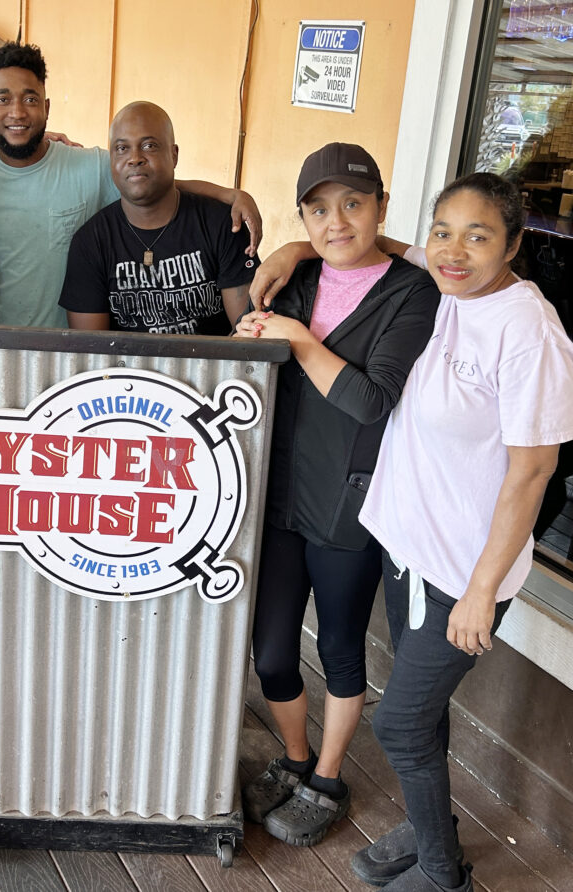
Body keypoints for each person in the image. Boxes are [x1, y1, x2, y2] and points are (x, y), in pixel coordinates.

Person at [350, 173, 573, 892]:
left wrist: (482, 592)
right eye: (444, 230)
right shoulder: (446, 283)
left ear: (513, 244)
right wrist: (298, 249)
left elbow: (533, 472)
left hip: (461, 575)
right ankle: (426, 828)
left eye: (478, 236)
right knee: (423, 714)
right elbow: (402, 247)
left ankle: (445, 877)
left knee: (401, 726)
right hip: (409, 545)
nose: (453, 250)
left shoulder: (529, 331)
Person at [233, 143, 439, 846]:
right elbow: (254, 361)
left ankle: (327, 776)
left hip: (352, 503)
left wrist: (294, 338)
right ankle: (293, 756)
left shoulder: (414, 293)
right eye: (318, 209)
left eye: (353, 203)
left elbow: (373, 400)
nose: (336, 222)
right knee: (273, 653)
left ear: (381, 207)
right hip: (279, 495)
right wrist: (257, 330)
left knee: (344, 649)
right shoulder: (299, 277)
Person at [0, 42, 263, 330]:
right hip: (4, 343)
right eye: (3, 100)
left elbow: (153, 181)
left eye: (30, 100)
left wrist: (232, 195)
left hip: (69, 345)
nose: (17, 112)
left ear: (46, 107)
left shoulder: (89, 165)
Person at [60, 101, 255, 332]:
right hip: (124, 369)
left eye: (149, 145)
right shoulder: (90, 242)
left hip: (211, 368)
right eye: (122, 148)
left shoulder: (223, 225)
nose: (135, 158)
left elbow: (247, 338)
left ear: (174, 155)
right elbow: (91, 352)